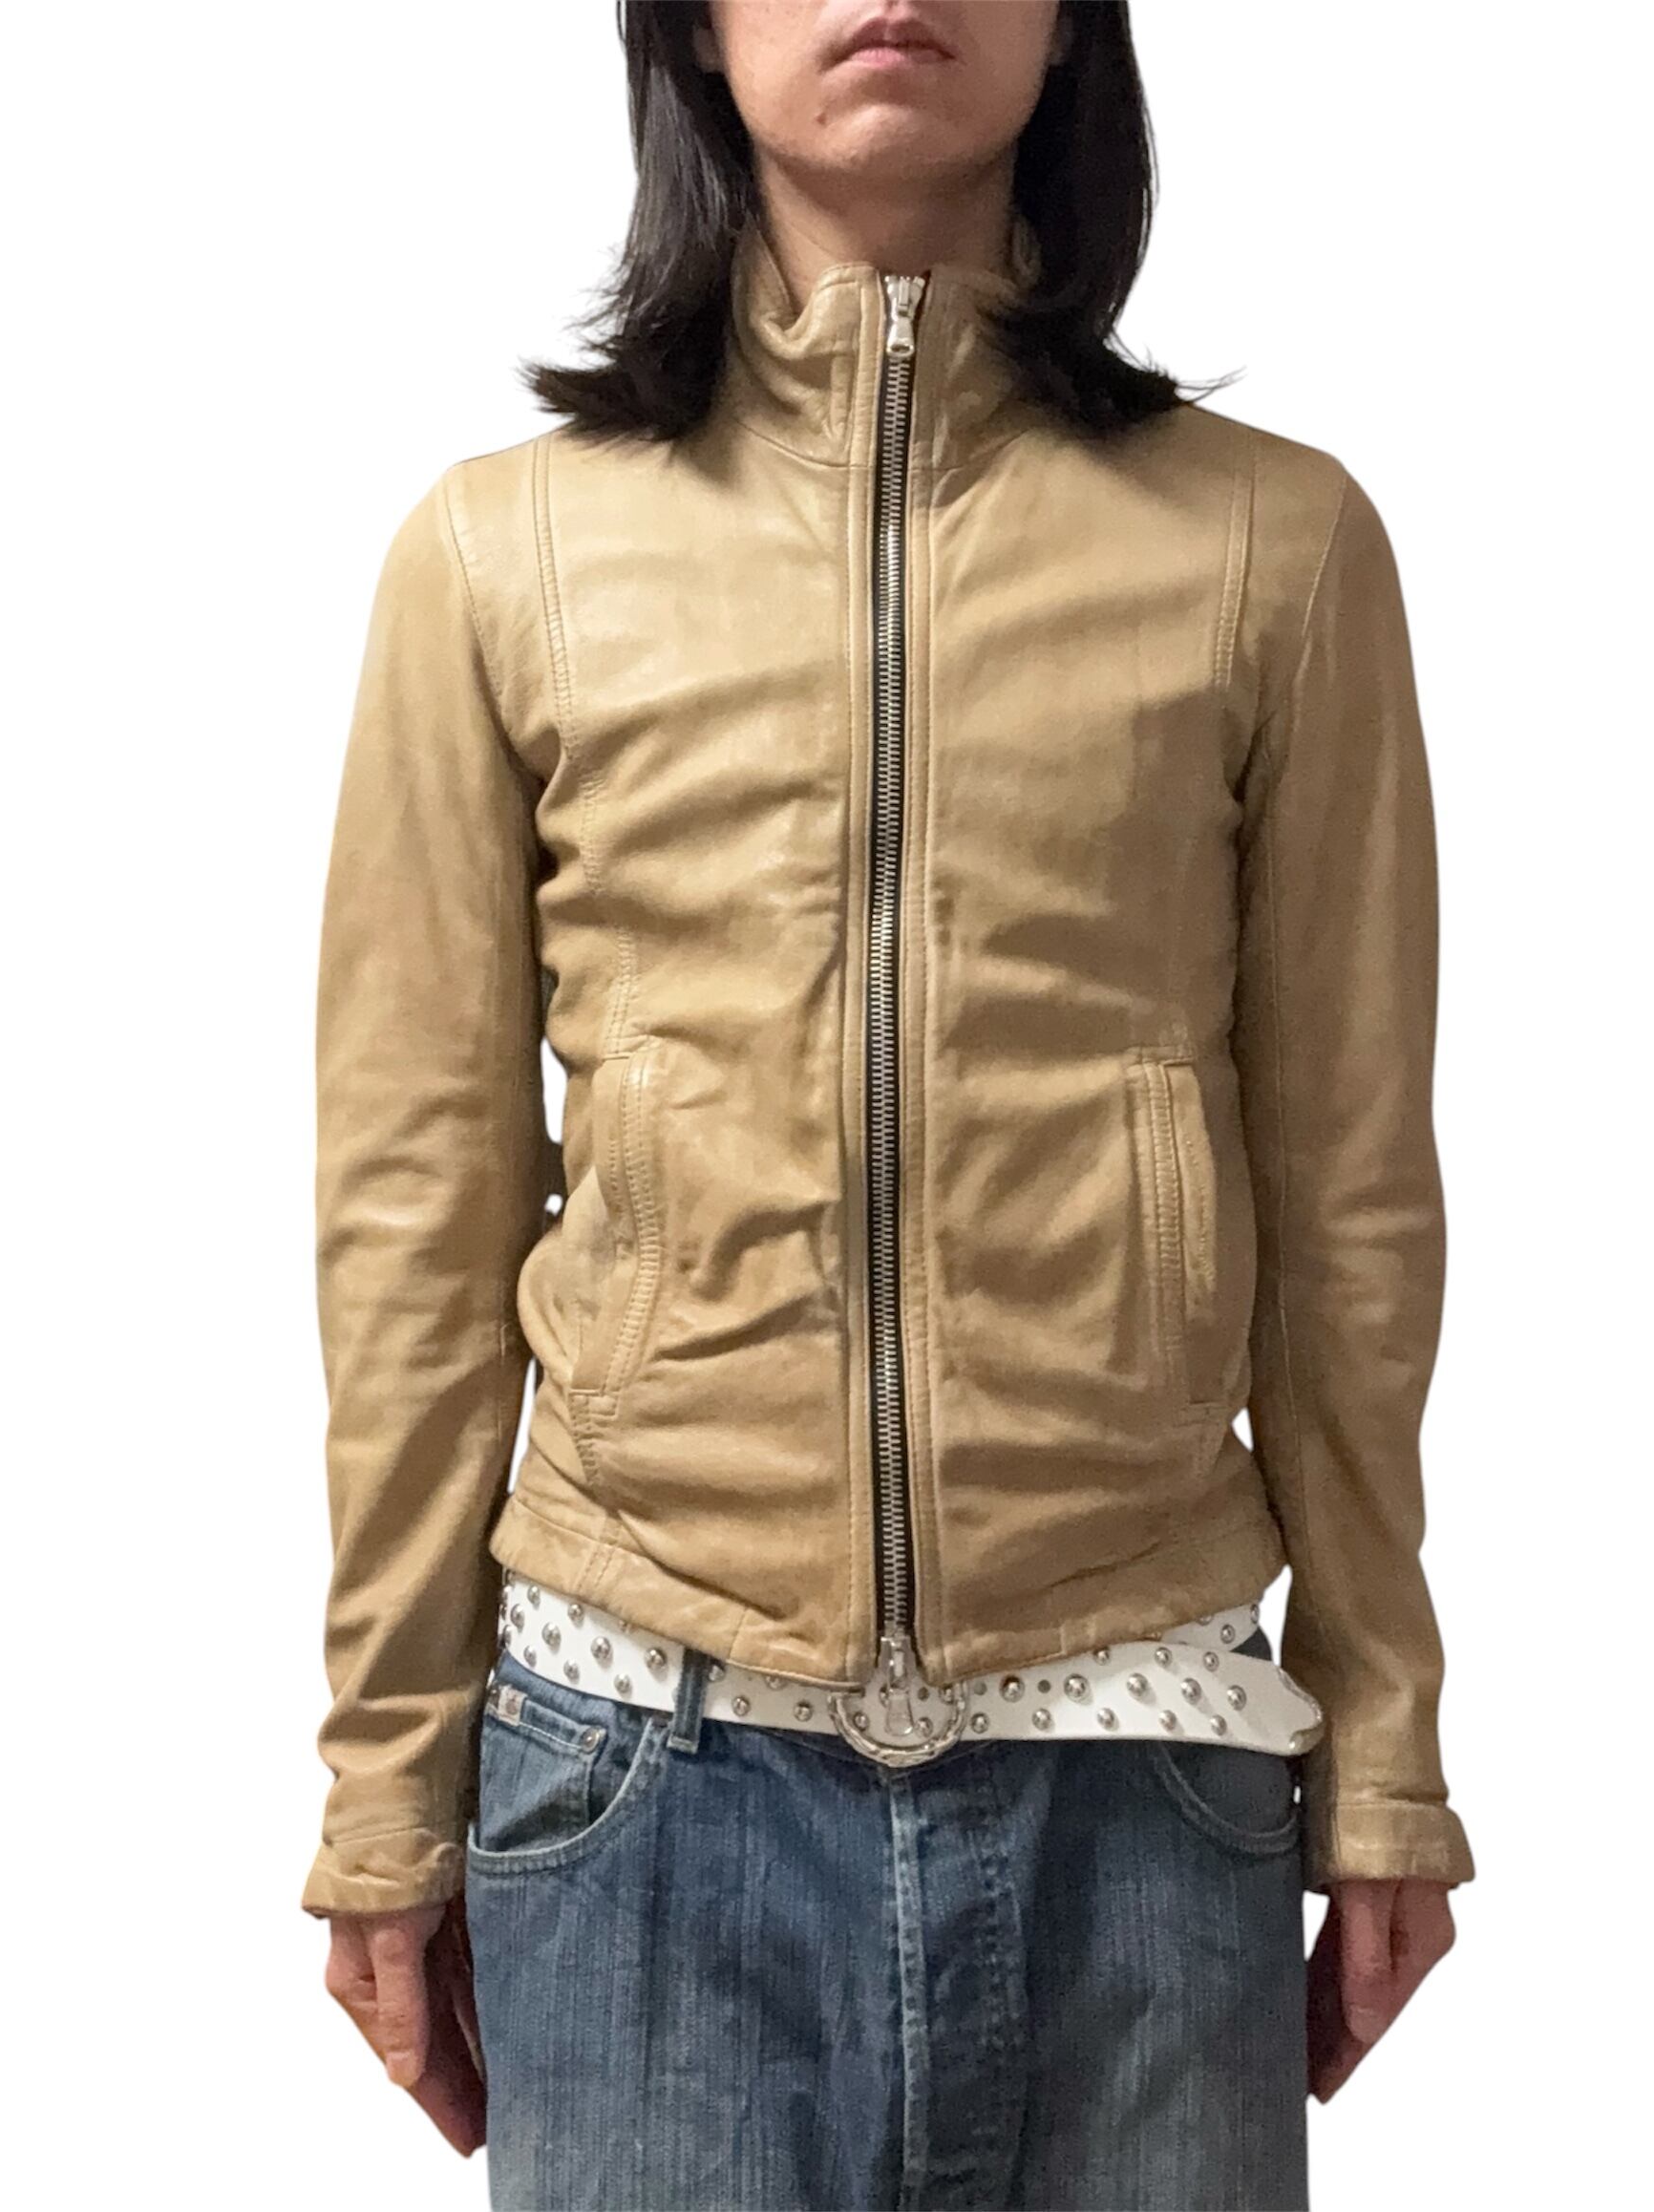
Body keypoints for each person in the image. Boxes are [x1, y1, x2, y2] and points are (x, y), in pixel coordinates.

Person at [300, 4, 1474, 2205]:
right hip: (637, 1778)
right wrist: (388, 1781)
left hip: (1149, 1779)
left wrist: (1385, 1738)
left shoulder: (1274, 548)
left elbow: (1350, 1199)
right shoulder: (501, 558)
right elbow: (414, 1223)